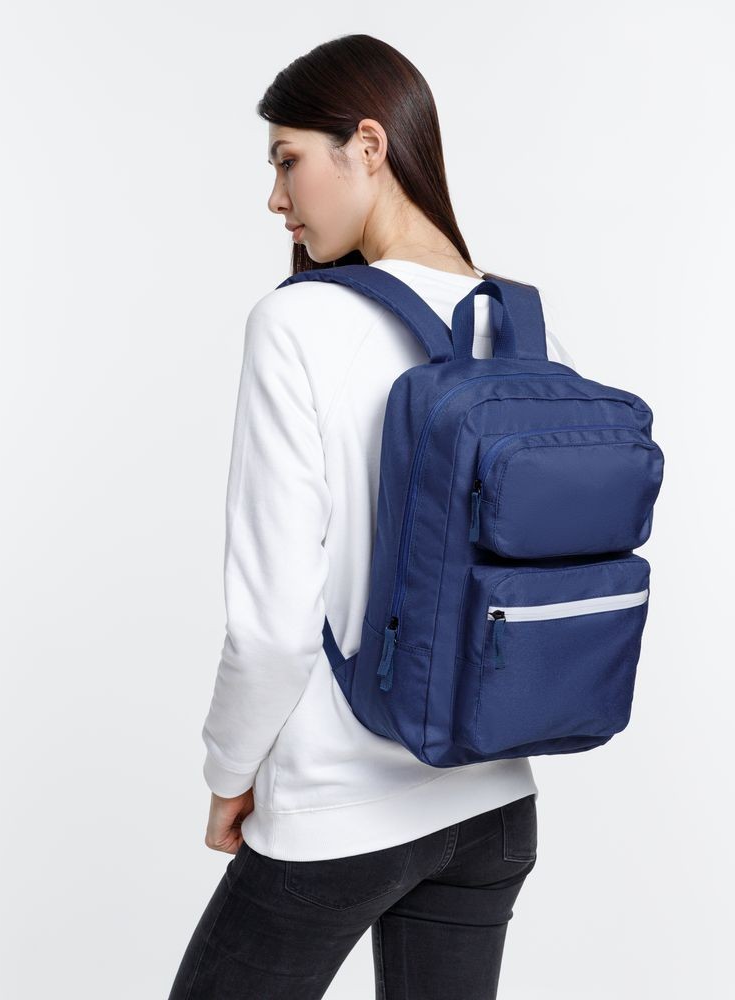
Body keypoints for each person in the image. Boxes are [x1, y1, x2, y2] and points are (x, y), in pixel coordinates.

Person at [168, 33, 575, 1000]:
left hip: (338, 810)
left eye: (287, 161)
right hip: (493, 804)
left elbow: (273, 627)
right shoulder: (522, 325)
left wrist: (230, 773)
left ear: (368, 145)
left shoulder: (297, 322)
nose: (276, 199)